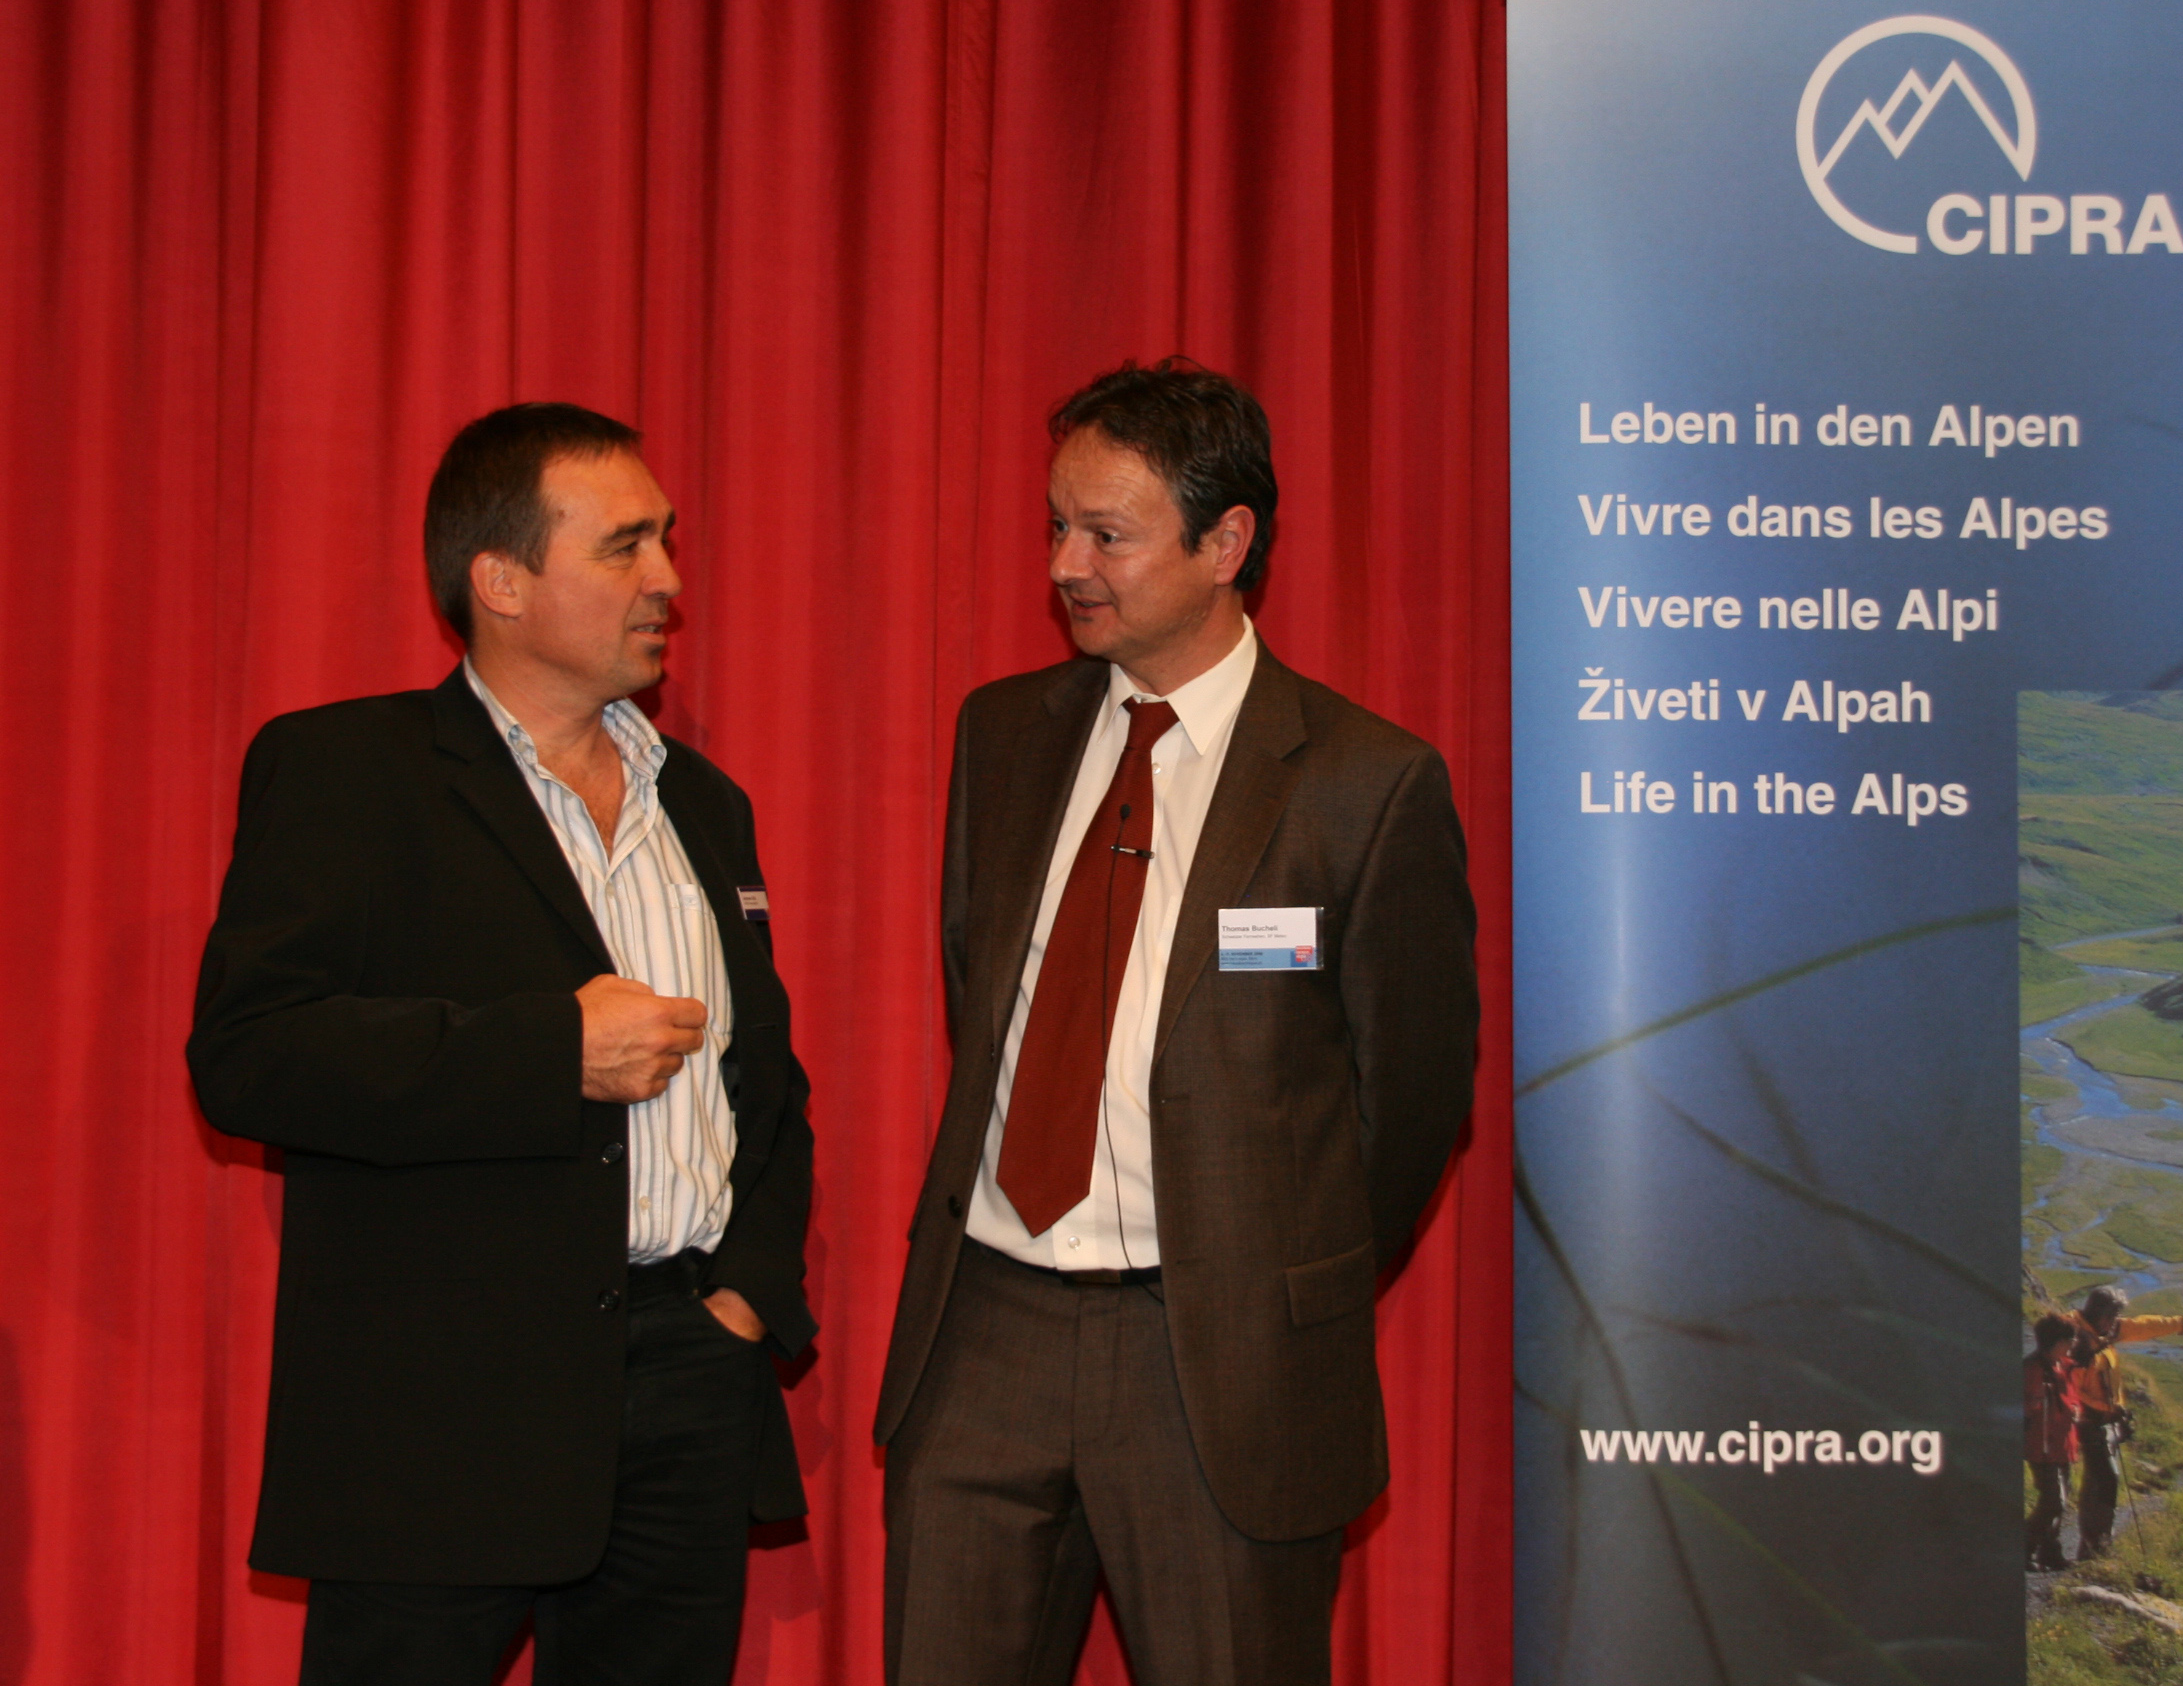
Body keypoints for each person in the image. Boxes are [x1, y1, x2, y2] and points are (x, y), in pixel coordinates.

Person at [872, 359, 1482, 1685]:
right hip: (985, 1329)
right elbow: (982, 987)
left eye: (1107, 533)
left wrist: (1268, 1269)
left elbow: (1411, 1101)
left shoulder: (1364, 784)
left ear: (1225, 542)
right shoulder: (1003, 734)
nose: (1065, 565)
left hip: (1218, 1364)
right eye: (1057, 525)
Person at [187, 403, 816, 1686]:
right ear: (501, 581)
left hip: (689, 1382)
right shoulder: (347, 769)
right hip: (440, 1413)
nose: (667, 578)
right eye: (624, 545)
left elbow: (765, 1082)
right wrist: (549, 1049)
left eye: (667, 540)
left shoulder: (704, 803)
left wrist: (744, 1299)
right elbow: (251, 1053)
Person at [2069, 1284, 2183, 1560]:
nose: (2117, 1322)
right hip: (2090, 1422)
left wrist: (2182, 1324)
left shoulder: (2103, 1331)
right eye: (2113, 1316)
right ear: (2100, 1314)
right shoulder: (2077, 1342)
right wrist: (2107, 1409)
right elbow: (2073, 1391)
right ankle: (2097, 1547)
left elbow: (2141, 1326)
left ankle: (2092, 1547)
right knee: (2106, 1479)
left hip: (2105, 1420)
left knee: (2097, 1481)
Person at [2023, 1312, 2083, 1573]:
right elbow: (2025, 1407)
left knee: (2061, 1500)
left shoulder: (2064, 1366)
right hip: (2042, 1446)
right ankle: (2024, 1548)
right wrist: (2034, 1402)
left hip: (2062, 1444)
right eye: (2068, 1340)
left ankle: (2050, 1553)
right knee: (2053, 1502)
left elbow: (2072, 1399)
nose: (2072, 1344)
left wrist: (2076, 1411)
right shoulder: (2033, 1369)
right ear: (2054, 1342)